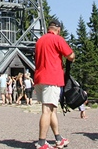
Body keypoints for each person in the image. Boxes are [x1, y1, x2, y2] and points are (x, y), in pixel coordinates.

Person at [34, 19, 75, 149]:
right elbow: (71, 55)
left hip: (39, 78)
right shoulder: (57, 39)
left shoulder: (39, 41)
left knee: (52, 110)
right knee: (47, 110)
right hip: (51, 78)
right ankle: (41, 143)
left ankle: (58, 138)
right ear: (58, 29)